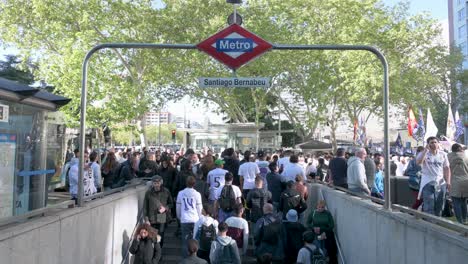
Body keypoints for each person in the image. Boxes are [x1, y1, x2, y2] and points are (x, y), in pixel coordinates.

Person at [416, 136, 451, 216]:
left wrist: (448, 181)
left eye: (435, 142)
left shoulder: (443, 154)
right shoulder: (424, 153)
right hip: (427, 183)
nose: (434, 144)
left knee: (440, 204)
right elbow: (419, 162)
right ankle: (429, 223)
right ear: (428, 144)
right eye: (431, 143)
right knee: (429, 204)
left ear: (438, 144)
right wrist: (425, 150)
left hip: (440, 183)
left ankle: (437, 222)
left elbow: (447, 168)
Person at [143, 176, 174, 248]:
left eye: (158, 182)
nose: (156, 184)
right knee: (152, 236)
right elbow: (145, 208)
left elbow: (171, 204)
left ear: (161, 182)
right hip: (151, 218)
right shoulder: (148, 193)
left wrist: (165, 208)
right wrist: (146, 219)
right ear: (152, 183)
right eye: (155, 183)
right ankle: (154, 252)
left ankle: (159, 252)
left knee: (161, 235)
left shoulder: (166, 191)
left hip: (161, 216)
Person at [176, 176, 203, 257]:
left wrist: (179, 217)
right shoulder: (197, 194)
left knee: (185, 242)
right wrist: (200, 218)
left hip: (185, 219)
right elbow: (199, 208)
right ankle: (195, 258)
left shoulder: (180, 193)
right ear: (194, 184)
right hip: (195, 219)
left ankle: (185, 259)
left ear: (186, 183)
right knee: (195, 240)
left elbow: (178, 207)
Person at [306, 200, 338, 264]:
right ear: (317, 206)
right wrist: (313, 228)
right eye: (319, 207)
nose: (321, 208)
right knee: (317, 249)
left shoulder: (328, 213)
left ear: (324, 207)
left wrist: (322, 229)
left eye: (322, 207)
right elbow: (308, 223)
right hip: (316, 235)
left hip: (326, 234)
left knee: (326, 249)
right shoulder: (313, 213)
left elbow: (332, 225)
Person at [447, 143, 468, 224]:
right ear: (460, 148)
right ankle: (465, 219)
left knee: (456, 202)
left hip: (454, 181)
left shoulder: (448, 156)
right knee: (464, 202)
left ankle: (459, 221)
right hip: (465, 181)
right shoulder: (466, 156)